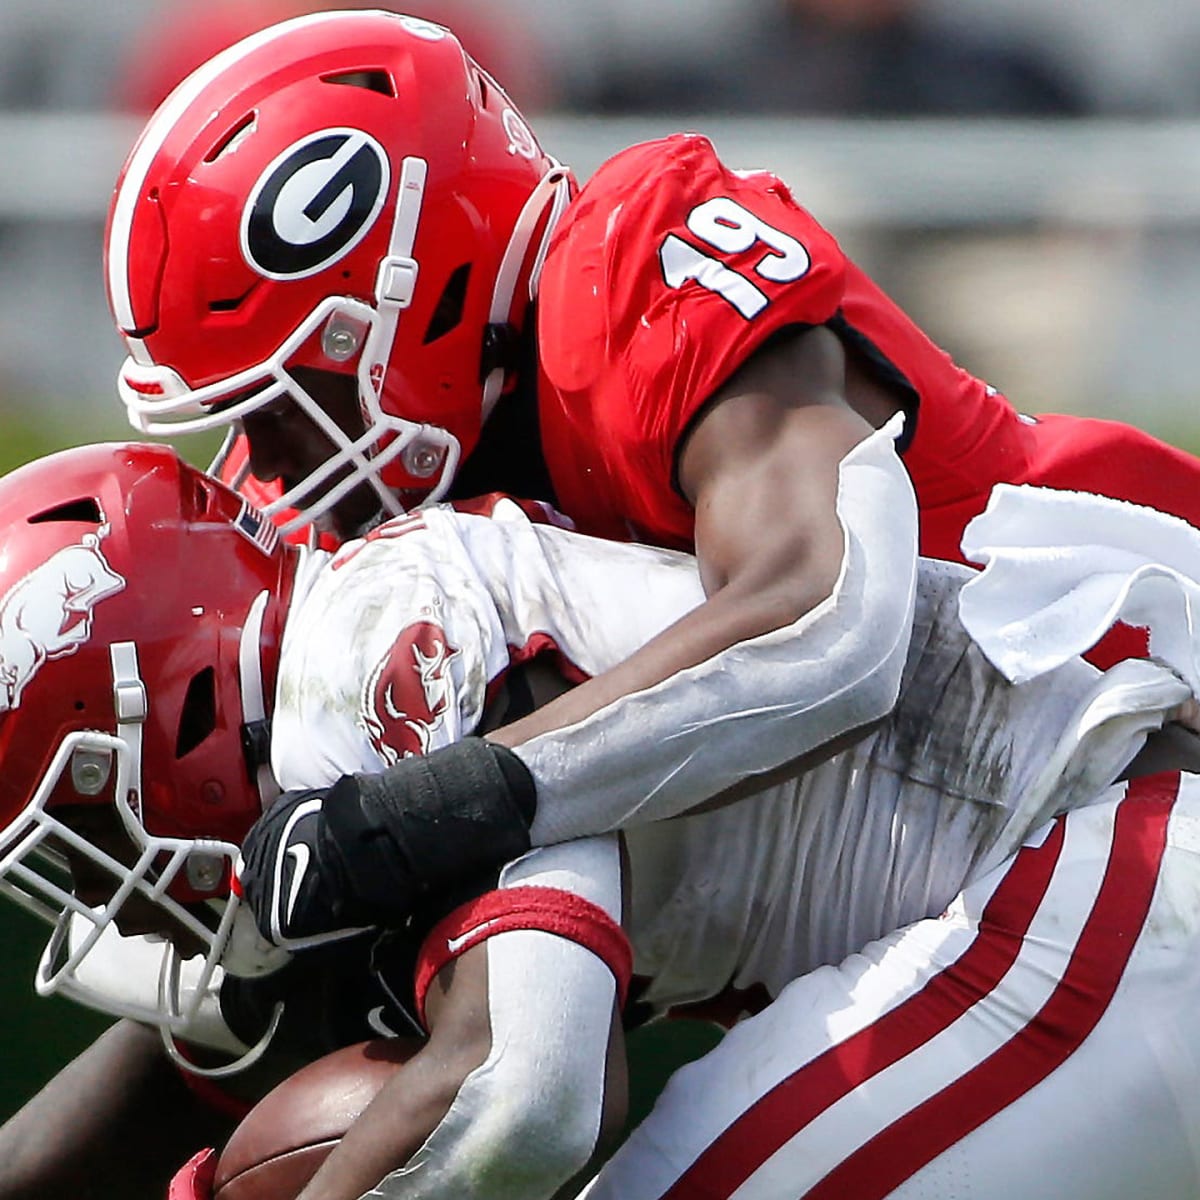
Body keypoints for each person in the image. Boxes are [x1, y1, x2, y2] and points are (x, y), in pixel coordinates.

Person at [101, 11, 1200, 947]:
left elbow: (823, 619)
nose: (270, 468)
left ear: (409, 292)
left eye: (284, 407)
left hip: (1137, 720)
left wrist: (436, 806)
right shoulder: (459, 506)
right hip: (996, 859)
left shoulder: (623, 270)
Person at [5, 442, 1200, 1199]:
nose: (102, 893)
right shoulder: (327, 693)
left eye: (82, 839)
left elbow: (521, 1098)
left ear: (168, 711)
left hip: (1096, 867)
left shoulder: (364, 677)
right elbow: (164, 1084)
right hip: (1079, 899)